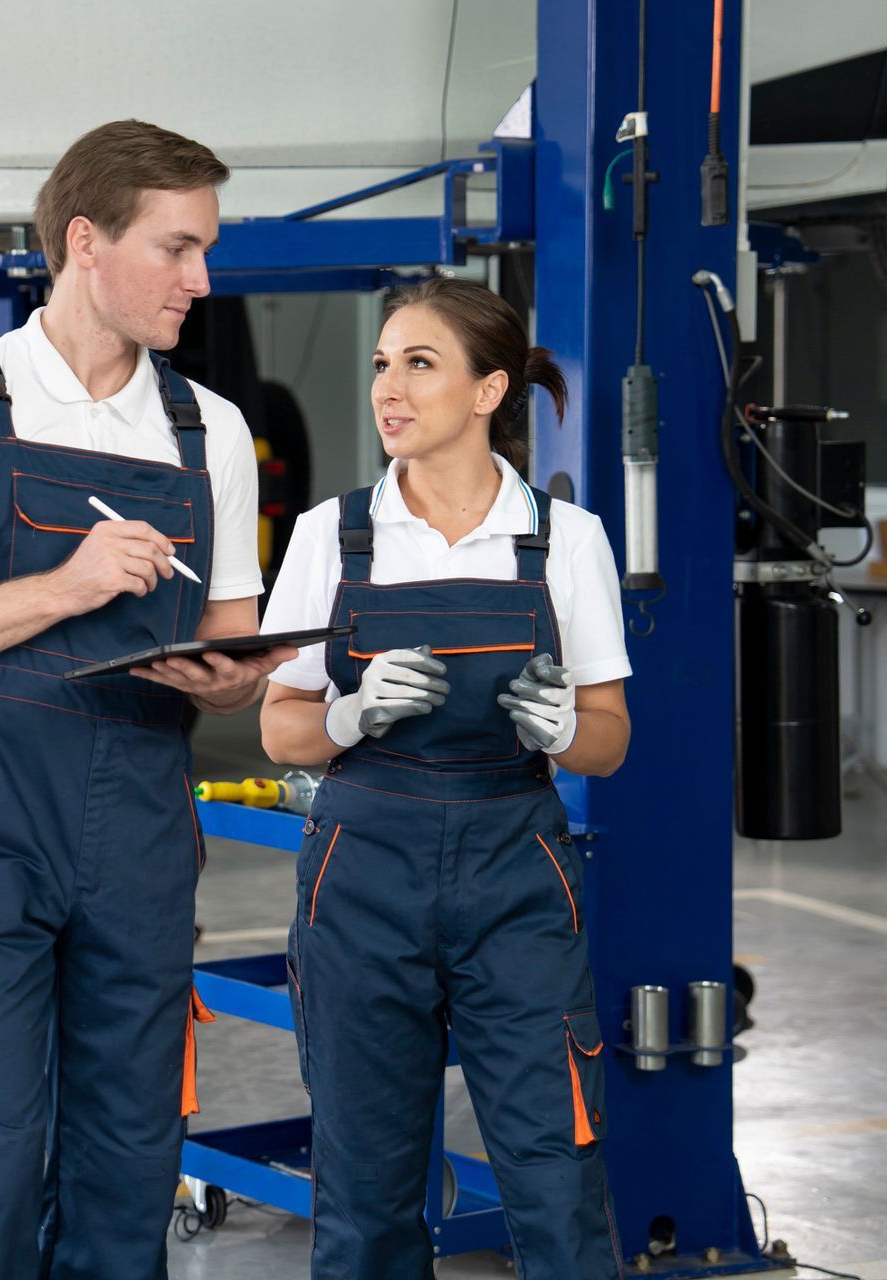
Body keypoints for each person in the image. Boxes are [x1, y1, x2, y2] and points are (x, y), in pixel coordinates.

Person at [0, 119, 295, 1280]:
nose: (202, 278)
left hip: (138, 810)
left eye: (207, 250)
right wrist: (64, 586)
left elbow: (232, 642)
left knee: (129, 1153)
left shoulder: (212, 433)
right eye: (178, 248)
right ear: (86, 241)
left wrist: (235, 674)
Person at [257, 276, 633, 1277]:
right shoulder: (333, 538)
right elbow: (278, 725)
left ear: (486, 388)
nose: (389, 386)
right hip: (361, 872)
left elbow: (611, 738)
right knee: (365, 1183)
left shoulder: (564, 539)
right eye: (382, 363)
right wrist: (346, 712)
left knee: (557, 1171)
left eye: (420, 363)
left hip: (517, 870)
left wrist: (565, 729)